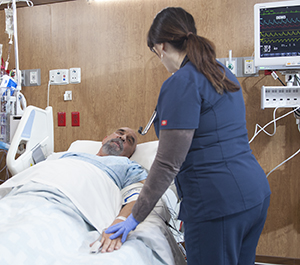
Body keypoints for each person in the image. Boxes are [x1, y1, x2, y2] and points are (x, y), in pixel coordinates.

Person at [106, 8, 271, 265]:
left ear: (160, 47)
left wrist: (134, 217)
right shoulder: (220, 71)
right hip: (255, 195)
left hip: (218, 205)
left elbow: (167, 163)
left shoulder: (180, 83)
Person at [0, 127, 147, 255]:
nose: (122, 137)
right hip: (31, 191)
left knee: (24, 234)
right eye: (119, 133)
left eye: (129, 140)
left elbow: (140, 195)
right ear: (104, 139)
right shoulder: (63, 156)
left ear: (130, 153)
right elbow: (38, 170)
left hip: (69, 204)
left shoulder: (128, 165)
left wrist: (120, 221)